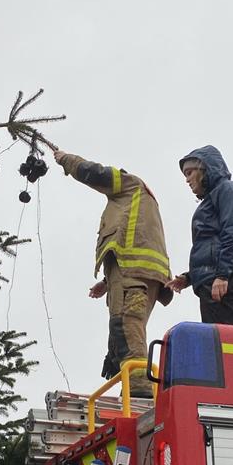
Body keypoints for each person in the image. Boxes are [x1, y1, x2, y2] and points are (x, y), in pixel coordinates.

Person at [54, 149, 173, 397]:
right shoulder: (134, 204)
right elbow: (130, 242)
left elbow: (94, 173)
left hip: (133, 274)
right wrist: (108, 282)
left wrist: (66, 160)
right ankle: (134, 387)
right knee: (125, 329)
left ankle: (140, 390)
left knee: (126, 326)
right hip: (135, 274)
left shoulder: (130, 185)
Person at [166, 145, 233, 326]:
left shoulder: (229, 190)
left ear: (204, 168)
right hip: (217, 279)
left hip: (229, 280)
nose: (187, 180)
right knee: (214, 341)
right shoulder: (214, 198)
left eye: (189, 172)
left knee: (223, 343)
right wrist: (190, 277)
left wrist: (223, 275)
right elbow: (212, 246)